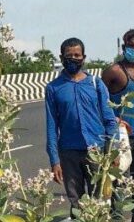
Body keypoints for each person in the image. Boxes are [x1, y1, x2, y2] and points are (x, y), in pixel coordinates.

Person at [45, 37, 118, 212]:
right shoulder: (53, 88)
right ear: (61, 58)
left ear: (84, 57)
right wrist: (54, 160)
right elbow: (51, 126)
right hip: (69, 152)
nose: (73, 59)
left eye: (77, 55)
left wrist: (112, 150)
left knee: (98, 198)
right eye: (69, 56)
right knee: (76, 200)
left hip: (96, 150)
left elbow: (109, 119)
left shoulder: (95, 84)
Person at [104, 29, 134, 222]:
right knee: (119, 178)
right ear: (123, 47)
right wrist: (113, 119)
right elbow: (100, 99)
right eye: (130, 46)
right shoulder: (114, 71)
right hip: (120, 134)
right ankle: (116, 219)